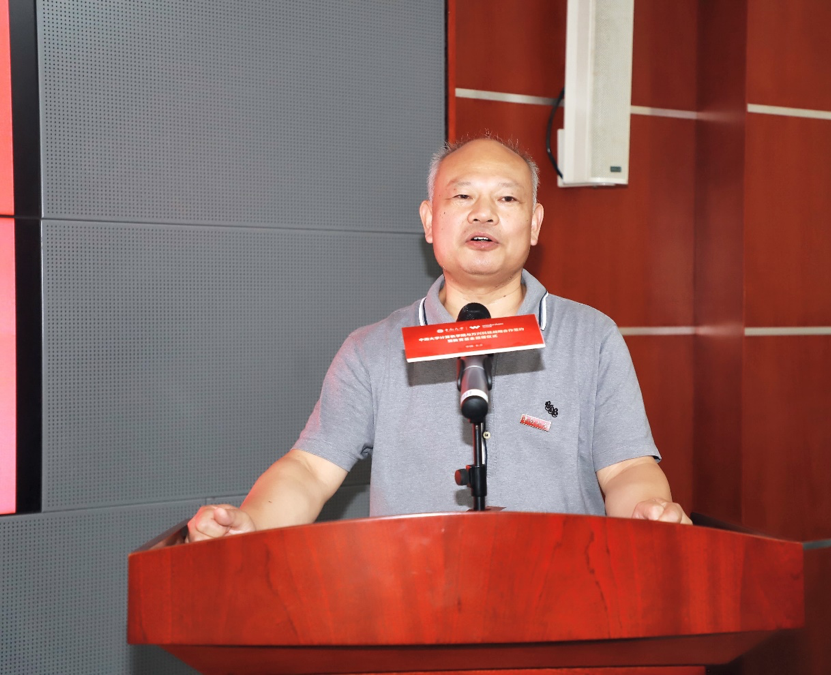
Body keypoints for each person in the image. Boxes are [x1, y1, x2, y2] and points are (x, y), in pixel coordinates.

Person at [187, 138, 691, 542]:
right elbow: (310, 470)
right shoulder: (371, 350)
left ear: (535, 224)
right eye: (463, 196)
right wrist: (252, 523)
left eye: (507, 198)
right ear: (429, 221)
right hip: (412, 605)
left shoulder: (591, 337)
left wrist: (648, 511)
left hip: (562, 600)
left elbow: (627, 467)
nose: (484, 214)